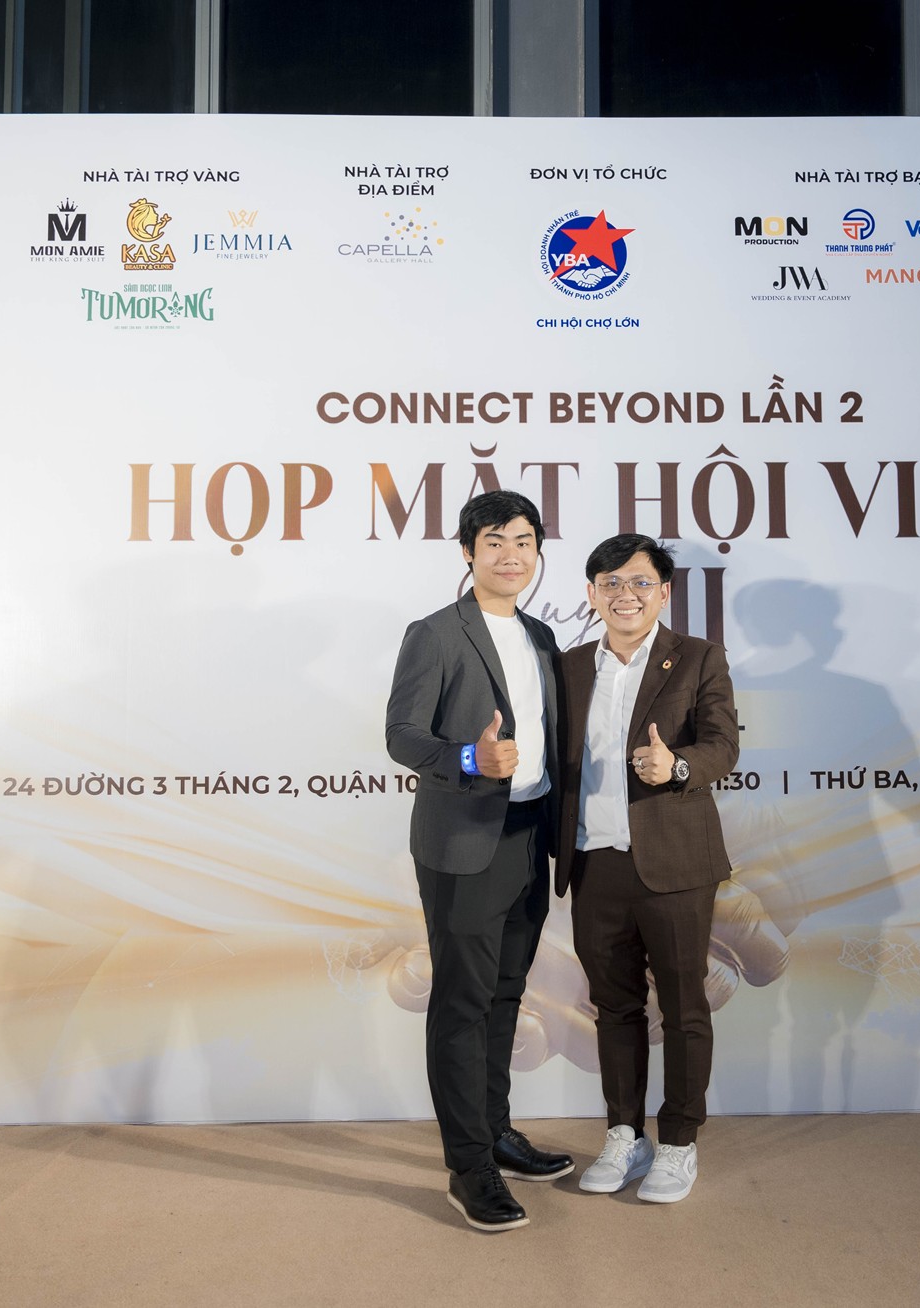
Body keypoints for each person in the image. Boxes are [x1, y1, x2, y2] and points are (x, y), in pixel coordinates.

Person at [384, 490, 573, 1233]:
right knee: (462, 1002)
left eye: (524, 541)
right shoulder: (434, 633)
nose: (511, 555)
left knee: (505, 993)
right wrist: (470, 756)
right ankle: (468, 1167)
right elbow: (402, 736)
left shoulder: (542, 636)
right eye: (494, 541)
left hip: (529, 834)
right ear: (467, 553)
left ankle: (496, 1133)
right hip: (464, 841)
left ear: (538, 554)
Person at [555, 533, 739, 1204]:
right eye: (609, 582)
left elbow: (723, 746)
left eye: (639, 582)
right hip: (594, 861)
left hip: (675, 864)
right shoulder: (570, 667)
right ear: (591, 593)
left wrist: (677, 766)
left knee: (685, 1006)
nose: (623, 594)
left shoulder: (698, 657)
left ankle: (679, 1142)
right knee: (614, 1008)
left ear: (663, 593)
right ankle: (625, 1134)